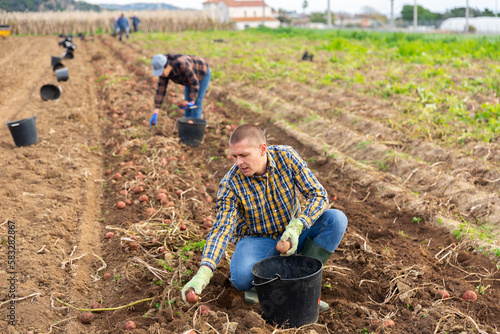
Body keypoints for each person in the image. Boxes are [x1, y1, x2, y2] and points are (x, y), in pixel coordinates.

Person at [180, 124, 348, 312]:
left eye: (244, 155)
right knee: (242, 278)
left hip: (291, 233)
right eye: (235, 156)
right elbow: (221, 230)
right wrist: (203, 273)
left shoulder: (286, 157)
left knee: (336, 220)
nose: (238, 162)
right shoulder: (230, 184)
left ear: (262, 149)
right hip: (257, 239)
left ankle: (300, 282)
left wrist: (298, 225)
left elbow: (318, 194)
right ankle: (267, 282)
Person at [149, 53, 211, 125]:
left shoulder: (182, 64)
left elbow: (194, 83)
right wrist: (156, 112)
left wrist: (192, 101)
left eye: (161, 71)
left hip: (202, 72)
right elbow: (160, 91)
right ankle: (187, 128)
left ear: (167, 66)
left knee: (196, 103)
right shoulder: (164, 74)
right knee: (187, 105)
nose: (161, 75)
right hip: (188, 79)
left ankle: (195, 130)